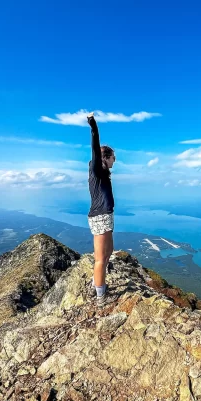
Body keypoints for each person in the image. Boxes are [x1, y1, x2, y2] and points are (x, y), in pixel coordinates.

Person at [86, 112, 119, 307]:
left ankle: (99, 282)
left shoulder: (102, 173)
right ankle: (100, 297)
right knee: (100, 258)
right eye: (113, 157)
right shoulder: (97, 168)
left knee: (108, 253)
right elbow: (95, 147)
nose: (115, 160)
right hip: (100, 217)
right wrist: (93, 125)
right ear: (105, 157)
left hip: (105, 216)